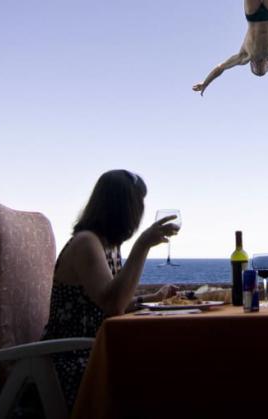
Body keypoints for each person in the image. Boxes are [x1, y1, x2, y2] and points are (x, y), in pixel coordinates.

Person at [41, 169, 179, 409]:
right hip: (74, 361)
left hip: (97, 351)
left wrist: (152, 298)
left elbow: (111, 301)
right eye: (139, 203)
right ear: (125, 208)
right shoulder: (86, 243)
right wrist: (142, 245)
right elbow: (113, 306)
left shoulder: (108, 246)